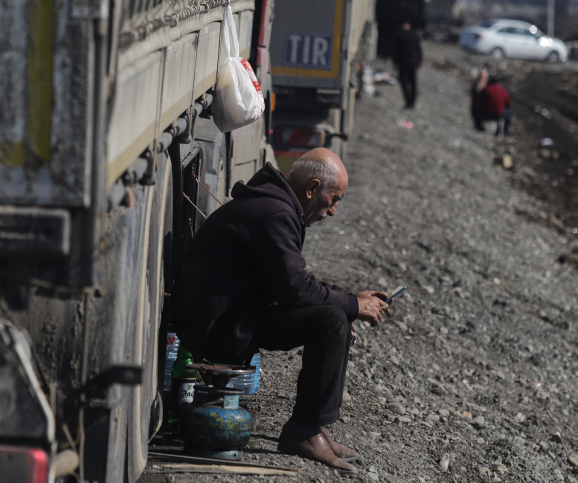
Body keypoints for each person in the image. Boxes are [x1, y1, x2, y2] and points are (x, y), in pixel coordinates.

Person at [171, 148, 391, 475]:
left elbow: (293, 282)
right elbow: (295, 290)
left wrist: (350, 300)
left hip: (231, 315)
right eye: (334, 199)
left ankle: (314, 426)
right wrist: (351, 305)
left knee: (336, 313)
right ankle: (304, 430)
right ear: (312, 188)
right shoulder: (275, 214)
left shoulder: (275, 206)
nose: (333, 210)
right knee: (330, 320)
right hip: (214, 327)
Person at [392, 22, 423, 109]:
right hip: (413, 62)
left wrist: (394, 63)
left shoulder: (399, 34)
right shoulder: (414, 34)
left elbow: (395, 50)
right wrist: (420, 60)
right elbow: (419, 49)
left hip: (402, 62)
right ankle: (412, 101)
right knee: (413, 82)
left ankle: (408, 101)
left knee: (404, 82)